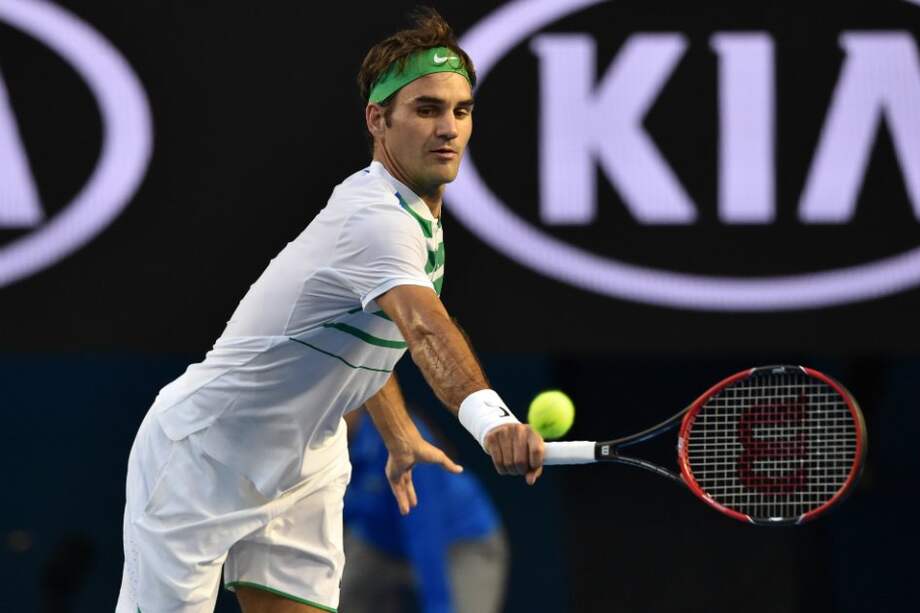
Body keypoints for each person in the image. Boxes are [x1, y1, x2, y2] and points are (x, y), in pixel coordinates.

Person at [116, 7, 544, 613]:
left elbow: (361, 342)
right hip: (204, 455)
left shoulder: (413, 215)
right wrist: (493, 422)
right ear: (378, 119)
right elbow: (424, 329)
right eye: (426, 109)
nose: (447, 128)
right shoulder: (375, 220)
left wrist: (399, 433)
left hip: (307, 463)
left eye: (461, 110)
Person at [340, 408, 508, 613]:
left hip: (459, 543)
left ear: (356, 402)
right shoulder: (317, 446)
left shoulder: (401, 441)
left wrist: (440, 607)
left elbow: (425, 533)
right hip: (378, 543)